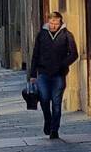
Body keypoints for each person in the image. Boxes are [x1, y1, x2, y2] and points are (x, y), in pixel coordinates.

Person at [28, 11, 78, 140]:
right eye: (51, 23)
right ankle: (48, 120)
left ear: (60, 22)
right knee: (44, 100)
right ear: (48, 22)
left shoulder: (67, 35)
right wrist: (32, 74)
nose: (53, 25)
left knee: (56, 103)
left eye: (56, 23)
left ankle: (54, 129)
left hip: (58, 75)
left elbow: (74, 54)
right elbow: (35, 54)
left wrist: (62, 65)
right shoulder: (42, 35)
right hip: (43, 74)